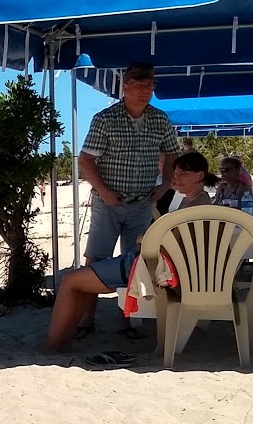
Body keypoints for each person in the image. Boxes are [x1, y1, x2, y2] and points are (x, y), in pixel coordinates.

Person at [45, 151, 215, 351]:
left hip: (149, 267)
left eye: (182, 173)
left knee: (70, 281)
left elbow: (165, 244)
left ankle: (53, 346)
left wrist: (145, 240)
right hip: (158, 266)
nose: (176, 177)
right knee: (79, 281)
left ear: (200, 176)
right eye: (175, 172)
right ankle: (61, 342)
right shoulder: (199, 203)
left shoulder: (193, 209)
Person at [75, 63, 182, 338]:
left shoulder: (160, 120)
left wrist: (167, 183)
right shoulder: (106, 119)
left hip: (142, 203)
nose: (146, 90)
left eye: (150, 85)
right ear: (125, 86)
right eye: (139, 84)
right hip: (108, 202)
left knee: (136, 262)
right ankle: (86, 321)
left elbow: (172, 153)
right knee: (96, 260)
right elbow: (85, 160)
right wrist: (105, 192)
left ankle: (128, 321)